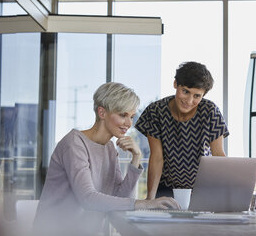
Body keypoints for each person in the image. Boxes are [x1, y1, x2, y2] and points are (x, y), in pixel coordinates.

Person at [33, 82, 179, 236]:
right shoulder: (74, 143)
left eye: (131, 116)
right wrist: (146, 204)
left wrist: (136, 159)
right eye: (123, 115)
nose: (129, 123)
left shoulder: (109, 148)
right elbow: (87, 198)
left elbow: (120, 199)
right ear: (102, 113)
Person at [135, 61, 229, 199]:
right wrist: (150, 198)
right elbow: (156, 158)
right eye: (185, 91)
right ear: (175, 84)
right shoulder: (156, 111)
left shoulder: (210, 111)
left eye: (197, 96)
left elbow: (218, 155)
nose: (189, 101)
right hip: (166, 188)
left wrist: (232, 194)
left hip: (202, 188)